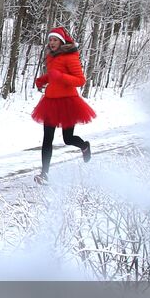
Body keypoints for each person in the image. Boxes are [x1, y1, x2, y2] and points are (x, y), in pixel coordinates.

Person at [32, 26, 95, 183]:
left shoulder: (70, 56)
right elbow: (54, 75)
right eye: (50, 40)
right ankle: (44, 174)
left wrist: (60, 76)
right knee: (47, 138)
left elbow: (80, 80)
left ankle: (84, 146)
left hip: (68, 102)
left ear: (61, 42)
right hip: (51, 101)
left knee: (68, 138)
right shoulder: (51, 57)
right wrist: (44, 79)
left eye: (55, 40)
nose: (52, 42)